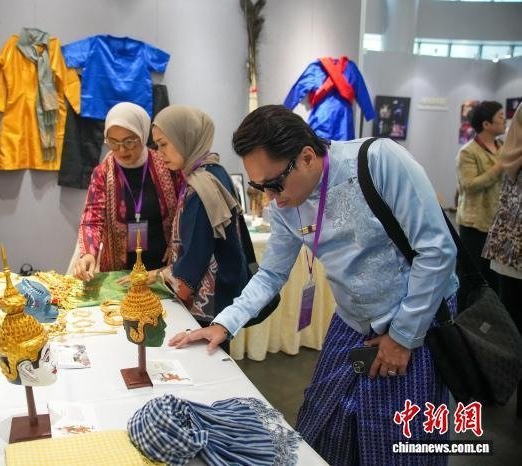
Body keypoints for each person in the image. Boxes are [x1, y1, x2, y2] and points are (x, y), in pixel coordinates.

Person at [170, 105, 459, 465]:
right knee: (324, 424)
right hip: (353, 324)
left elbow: (437, 251)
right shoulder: (285, 205)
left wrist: (402, 337)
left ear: (307, 156)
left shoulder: (378, 161)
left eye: (274, 183)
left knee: (395, 439)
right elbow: (271, 274)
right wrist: (224, 323)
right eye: (259, 187)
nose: (271, 198)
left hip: (416, 322)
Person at [152, 105, 249, 325]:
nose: (159, 152)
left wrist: (160, 277)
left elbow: (196, 254)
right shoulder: (214, 170)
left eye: (163, 144)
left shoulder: (200, 186)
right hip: (224, 291)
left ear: (185, 137)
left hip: (208, 302)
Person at [74, 103, 178, 282]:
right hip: (119, 272)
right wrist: (88, 254)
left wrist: (177, 243)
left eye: (129, 142)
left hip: (160, 269)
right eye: (113, 142)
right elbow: (92, 219)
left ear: (143, 135)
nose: (121, 150)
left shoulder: (167, 164)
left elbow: (183, 209)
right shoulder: (103, 173)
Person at [482, 104, 522, 418]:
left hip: (508, 251)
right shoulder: (509, 157)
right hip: (512, 253)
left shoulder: (506, 152)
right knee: (511, 330)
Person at [456, 100, 506, 292]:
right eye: (500, 116)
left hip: (498, 224)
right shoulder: (468, 152)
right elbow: (469, 185)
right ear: (486, 124)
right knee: (470, 277)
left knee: (495, 279)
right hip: (474, 224)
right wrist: (499, 167)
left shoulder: (504, 148)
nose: (505, 120)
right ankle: (465, 311)